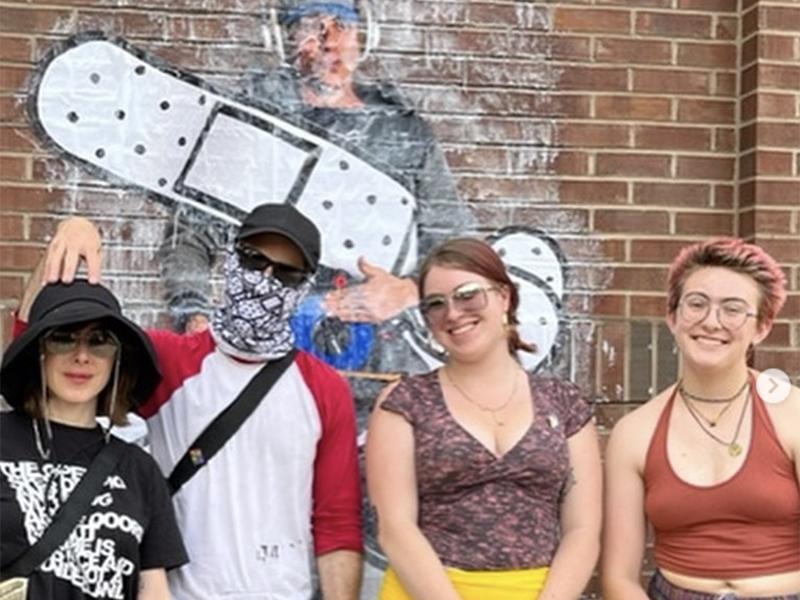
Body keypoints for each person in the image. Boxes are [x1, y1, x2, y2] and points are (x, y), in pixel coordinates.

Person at [32, 205, 364, 600]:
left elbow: (337, 523)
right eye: (254, 259)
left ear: (304, 286)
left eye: (287, 272)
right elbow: (36, 361)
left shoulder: (324, 388)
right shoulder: (167, 360)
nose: (266, 279)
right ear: (230, 260)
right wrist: (71, 235)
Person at [161, 0, 475, 378]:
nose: (329, 41)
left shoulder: (403, 134)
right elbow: (189, 239)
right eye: (313, 26)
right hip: (271, 370)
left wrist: (409, 291)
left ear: (363, 35)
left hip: (385, 374)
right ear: (285, 40)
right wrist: (194, 316)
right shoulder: (253, 128)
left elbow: (462, 252)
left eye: (342, 24)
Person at [365, 237, 602, 600]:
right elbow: (395, 528)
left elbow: (583, 529)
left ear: (504, 297)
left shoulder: (563, 403)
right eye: (435, 304)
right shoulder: (404, 403)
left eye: (468, 294)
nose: (453, 313)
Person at [602, 238, 800, 599]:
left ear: (762, 327)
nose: (711, 322)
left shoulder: (794, 416)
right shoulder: (634, 433)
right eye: (697, 304)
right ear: (673, 317)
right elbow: (619, 578)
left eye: (733, 309)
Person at [0, 276, 188, 599]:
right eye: (63, 338)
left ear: (117, 358)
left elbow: (153, 592)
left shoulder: (140, 470)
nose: (82, 356)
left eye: (100, 341)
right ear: (39, 352)